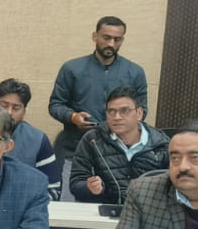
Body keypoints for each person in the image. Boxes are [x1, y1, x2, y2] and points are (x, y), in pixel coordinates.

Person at [47, 16, 149, 166]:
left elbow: (142, 110)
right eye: (106, 38)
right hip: (75, 148)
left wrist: (122, 120)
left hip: (119, 150)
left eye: (117, 39)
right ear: (95, 36)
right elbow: (56, 104)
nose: (111, 44)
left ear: (122, 40)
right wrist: (73, 117)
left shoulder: (135, 72)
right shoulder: (72, 69)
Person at [69, 86, 170, 204]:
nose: (117, 117)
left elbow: (174, 186)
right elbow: (76, 183)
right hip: (105, 209)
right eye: (111, 112)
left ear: (139, 113)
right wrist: (90, 188)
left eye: (124, 111)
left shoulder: (161, 144)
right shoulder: (93, 140)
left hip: (148, 211)